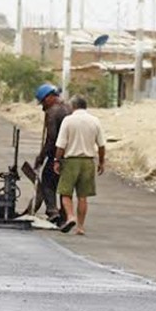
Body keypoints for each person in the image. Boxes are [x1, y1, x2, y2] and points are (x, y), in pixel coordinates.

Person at [53, 96, 106, 235]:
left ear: (73, 106)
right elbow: (101, 145)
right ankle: (80, 227)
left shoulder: (68, 120)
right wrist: (101, 161)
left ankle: (70, 216)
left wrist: (56, 160)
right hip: (88, 161)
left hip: (71, 161)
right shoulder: (95, 121)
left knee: (65, 193)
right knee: (83, 196)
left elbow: (61, 145)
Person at [34, 83, 71, 224]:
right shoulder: (69, 108)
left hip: (57, 155)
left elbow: (51, 138)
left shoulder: (52, 112)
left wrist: (42, 157)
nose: (43, 106)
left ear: (49, 97)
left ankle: (52, 211)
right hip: (71, 154)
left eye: (43, 102)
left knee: (48, 183)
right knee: (65, 186)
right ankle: (65, 214)